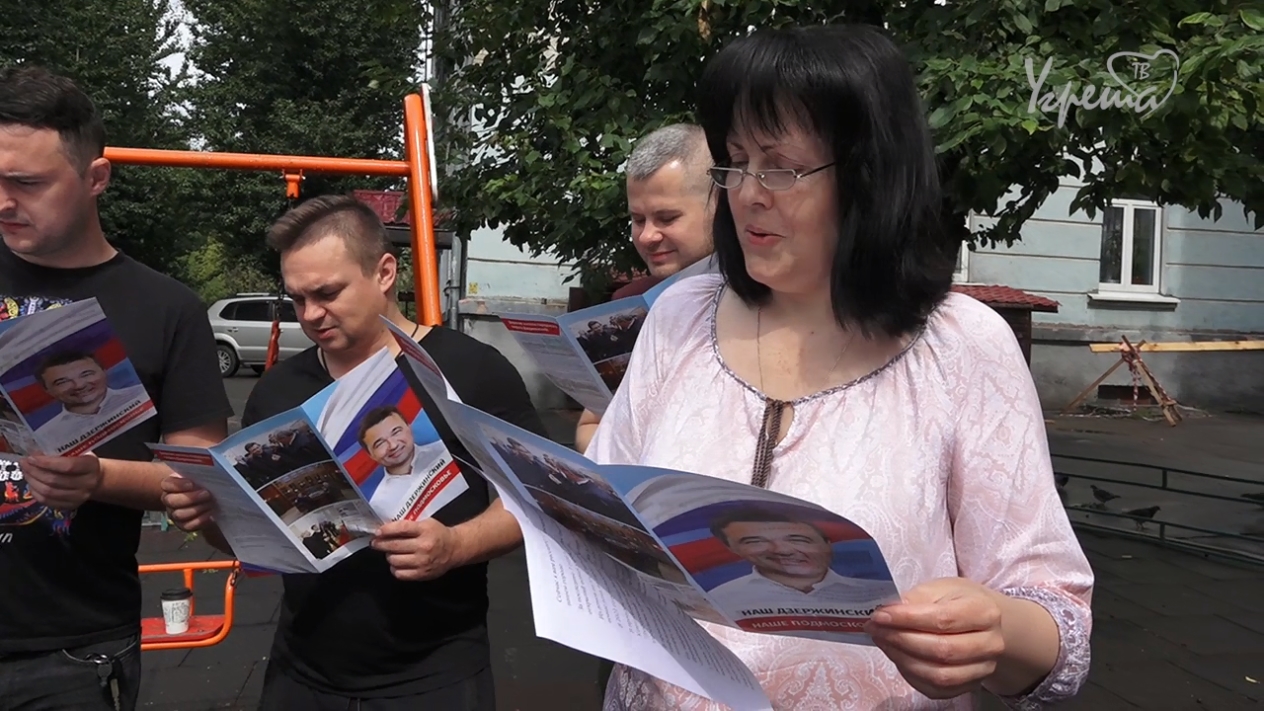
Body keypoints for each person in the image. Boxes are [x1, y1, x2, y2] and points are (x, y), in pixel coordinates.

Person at [585, 25, 1094, 710]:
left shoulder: (961, 347)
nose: (748, 193)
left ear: (867, 174)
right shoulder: (679, 316)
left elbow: (1056, 618)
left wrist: (995, 632)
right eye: (736, 162)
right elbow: (608, 515)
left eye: (780, 166)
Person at [160, 193, 547, 710]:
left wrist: (457, 545)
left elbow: (538, 501)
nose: (311, 315)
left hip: (434, 673)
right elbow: (249, 539)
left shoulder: (470, 370)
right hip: (302, 672)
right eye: (297, 299)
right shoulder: (278, 391)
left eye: (327, 293)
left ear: (384, 272)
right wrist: (207, 516)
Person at [0, 66, 231, 710]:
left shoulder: (165, 308)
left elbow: (201, 475)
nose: (3, 202)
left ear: (96, 177)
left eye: (26, 183)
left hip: (69, 646)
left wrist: (98, 477)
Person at [573, 123, 716, 453]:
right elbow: (590, 428)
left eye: (667, 218)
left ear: (719, 206)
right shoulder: (631, 305)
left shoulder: (771, 304)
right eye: (638, 220)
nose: (647, 236)